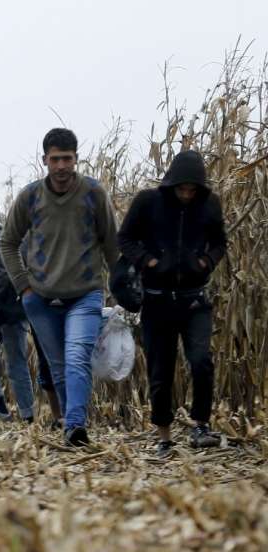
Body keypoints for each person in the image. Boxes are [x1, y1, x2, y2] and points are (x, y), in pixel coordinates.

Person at [0, 128, 119, 447]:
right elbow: (8, 242)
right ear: (45, 161)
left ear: (76, 159)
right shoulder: (30, 197)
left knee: (78, 355)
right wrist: (23, 286)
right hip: (40, 298)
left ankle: (76, 424)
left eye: (67, 159)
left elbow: (111, 243)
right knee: (59, 366)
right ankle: (70, 424)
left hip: (85, 293)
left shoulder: (94, 194)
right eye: (55, 159)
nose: (62, 166)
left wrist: (120, 284)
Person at [117, 150, 227, 456]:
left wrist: (206, 261)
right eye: (182, 189)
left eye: (193, 190)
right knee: (160, 371)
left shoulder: (209, 205)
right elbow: (124, 238)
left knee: (201, 361)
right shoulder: (147, 202)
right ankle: (164, 438)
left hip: (195, 300)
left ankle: (201, 425)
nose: (187, 195)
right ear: (171, 184)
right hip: (157, 301)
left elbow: (220, 242)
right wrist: (148, 261)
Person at [0, 190, 38, 422]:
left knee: (4, 361)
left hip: (5, 312)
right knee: (9, 362)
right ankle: (20, 413)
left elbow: (2, 274)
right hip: (12, 310)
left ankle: (13, 412)